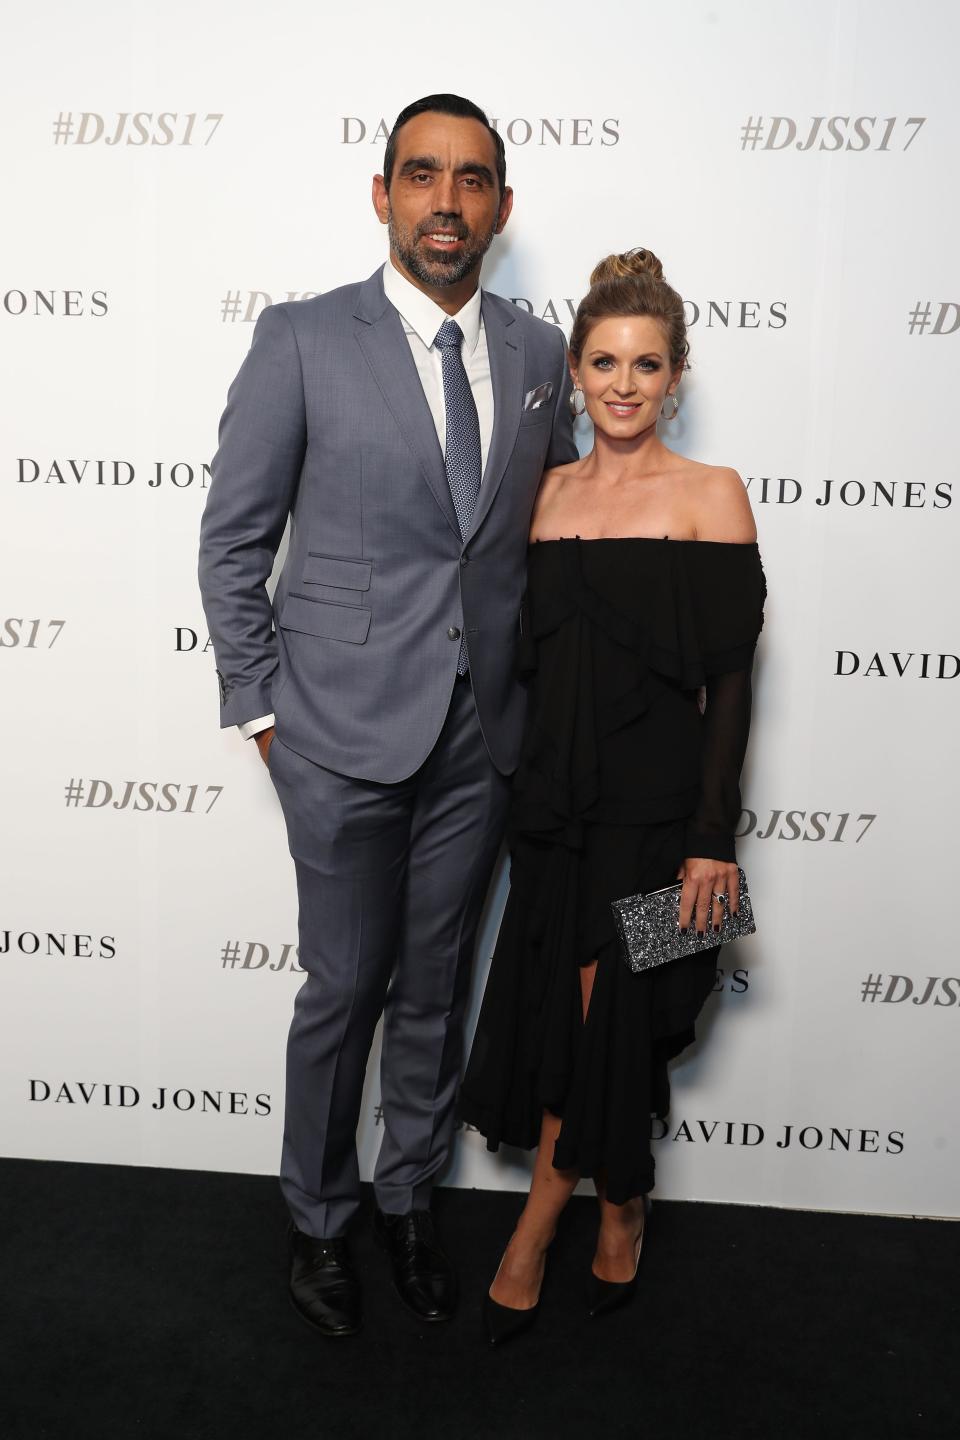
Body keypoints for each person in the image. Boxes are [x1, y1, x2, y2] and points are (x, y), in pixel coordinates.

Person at [198, 93, 576, 1338]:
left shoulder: (534, 355)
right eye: (423, 175)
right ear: (383, 194)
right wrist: (263, 715)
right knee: (342, 989)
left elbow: (533, 545)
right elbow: (235, 541)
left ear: (503, 208)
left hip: (481, 745)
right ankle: (318, 1219)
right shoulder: (303, 338)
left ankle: (409, 1196)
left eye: (472, 181)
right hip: (338, 739)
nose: (447, 203)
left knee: (434, 988)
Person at [459, 248, 766, 1344]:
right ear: (576, 375)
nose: (623, 383)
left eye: (646, 363)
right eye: (603, 361)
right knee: (576, 1023)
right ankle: (623, 1206)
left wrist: (712, 844)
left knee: (609, 1016)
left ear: (677, 373)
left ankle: (537, 1227)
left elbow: (731, 683)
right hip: (553, 811)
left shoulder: (710, 495)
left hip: (662, 820)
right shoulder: (543, 496)